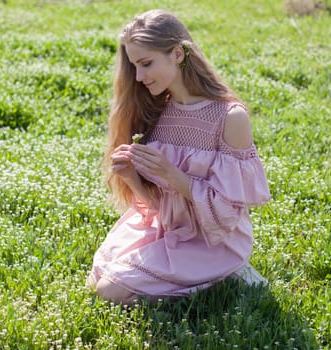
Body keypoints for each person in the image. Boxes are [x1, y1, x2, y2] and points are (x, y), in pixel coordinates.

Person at [87, 9, 271, 305]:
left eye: (146, 64)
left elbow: (228, 213)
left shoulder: (229, 118)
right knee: (99, 276)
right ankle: (204, 279)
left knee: (111, 291)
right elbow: (159, 206)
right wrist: (131, 177)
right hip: (169, 231)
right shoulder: (158, 112)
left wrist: (173, 174)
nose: (139, 77)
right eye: (134, 66)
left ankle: (227, 274)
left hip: (213, 242)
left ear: (176, 54)